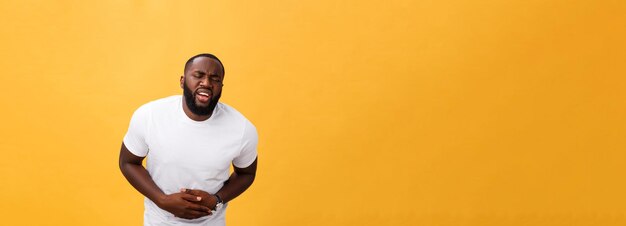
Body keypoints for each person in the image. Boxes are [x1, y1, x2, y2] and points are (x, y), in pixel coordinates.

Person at [119, 53, 258, 226]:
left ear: (221, 86)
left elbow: (247, 173)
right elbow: (128, 162)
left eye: (214, 79)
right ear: (182, 81)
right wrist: (162, 200)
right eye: (198, 75)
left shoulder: (242, 129)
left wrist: (217, 200)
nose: (206, 83)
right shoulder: (149, 116)